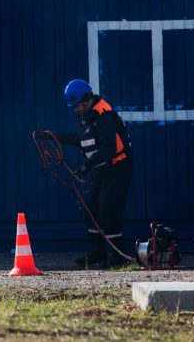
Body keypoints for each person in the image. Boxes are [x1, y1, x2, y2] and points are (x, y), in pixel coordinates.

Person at [54, 79, 133, 268]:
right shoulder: (85, 115)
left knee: (108, 211)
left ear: (87, 99)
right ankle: (99, 252)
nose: (76, 110)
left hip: (117, 168)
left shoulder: (104, 115)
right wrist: (54, 136)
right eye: (73, 107)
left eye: (78, 106)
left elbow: (108, 150)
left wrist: (85, 167)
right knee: (91, 209)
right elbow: (81, 139)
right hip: (100, 168)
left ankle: (118, 255)